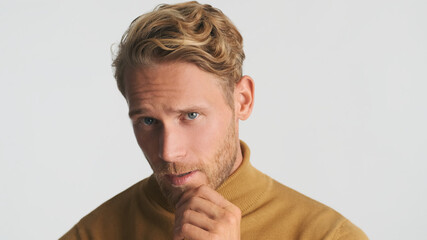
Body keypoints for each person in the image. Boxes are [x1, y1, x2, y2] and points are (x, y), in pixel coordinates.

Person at [60, 1, 368, 239]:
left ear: (242, 101)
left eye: (190, 116)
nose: (168, 152)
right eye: (148, 121)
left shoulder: (327, 235)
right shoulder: (93, 233)